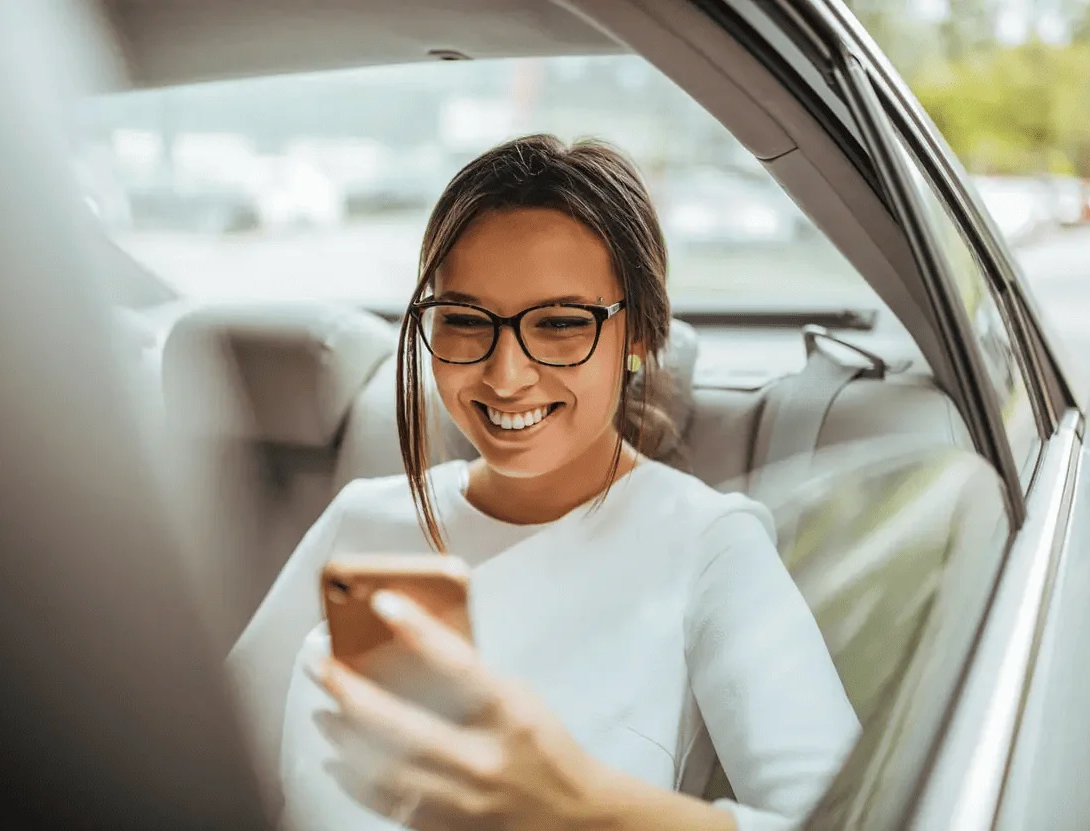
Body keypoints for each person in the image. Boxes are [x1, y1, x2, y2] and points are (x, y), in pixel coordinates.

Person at [235, 134, 860, 831]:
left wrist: (581, 806)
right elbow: (194, 764)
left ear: (641, 336)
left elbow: (853, 822)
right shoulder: (361, 522)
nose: (506, 375)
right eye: (467, 321)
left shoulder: (708, 544)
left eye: (562, 323)